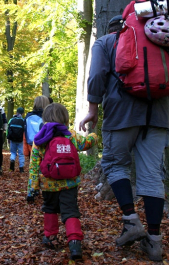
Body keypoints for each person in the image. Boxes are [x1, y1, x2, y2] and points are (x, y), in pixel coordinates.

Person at [78, 15, 169, 262]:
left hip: (121, 114)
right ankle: (155, 242)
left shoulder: (105, 42)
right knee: (152, 176)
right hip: (159, 116)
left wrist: (93, 110)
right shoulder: (160, 43)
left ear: (112, 28)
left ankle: (131, 221)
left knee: (115, 165)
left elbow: (96, 77)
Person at [26, 103, 98, 260]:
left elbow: (33, 165)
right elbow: (85, 144)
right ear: (65, 119)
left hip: (48, 184)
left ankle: (50, 237)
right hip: (69, 183)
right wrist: (94, 136)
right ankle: (74, 242)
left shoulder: (40, 138)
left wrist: (33, 187)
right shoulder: (70, 135)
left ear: (45, 119)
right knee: (70, 211)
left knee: (50, 209)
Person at [6, 107, 26, 172]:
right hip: (20, 140)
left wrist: (8, 137)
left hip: (12, 139)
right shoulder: (23, 121)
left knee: (13, 152)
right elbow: (25, 131)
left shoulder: (11, 120)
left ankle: (12, 160)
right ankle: (21, 168)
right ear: (23, 113)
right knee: (21, 154)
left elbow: (7, 130)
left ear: (17, 112)